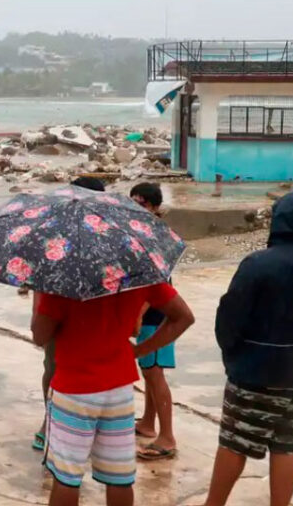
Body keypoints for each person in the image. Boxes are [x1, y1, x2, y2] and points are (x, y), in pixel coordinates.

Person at [200, 193, 293, 506]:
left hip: (255, 370)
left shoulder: (256, 264)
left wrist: (233, 354)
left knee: (234, 442)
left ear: (277, 222)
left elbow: (230, 316)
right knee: (287, 446)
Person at [31, 280, 195, 506]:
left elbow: (40, 336)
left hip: (74, 389)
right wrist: (139, 350)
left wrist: (40, 295)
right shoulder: (135, 272)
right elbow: (184, 316)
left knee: (66, 477)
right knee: (119, 478)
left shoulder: (63, 280)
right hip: (119, 390)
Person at [32, 176, 106, 452]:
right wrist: (37, 312)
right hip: (58, 313)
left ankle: (90, 425)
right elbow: (40, 275)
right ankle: (49, 420)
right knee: (52, 368)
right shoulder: (54, 229)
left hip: (96, 314)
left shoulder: (107, 233)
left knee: (91, 373)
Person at [128, 182, 179, 461]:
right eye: (133, 202)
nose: (137, 207)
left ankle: (167, 436)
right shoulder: (142, 235)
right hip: (149, 314)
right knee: (149, 372)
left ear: (155, 207)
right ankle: (148, 423)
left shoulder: (156, 239)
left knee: (156, 374)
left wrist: (138, 312)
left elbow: (158, 284)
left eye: (143, 203)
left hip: (157, 316)